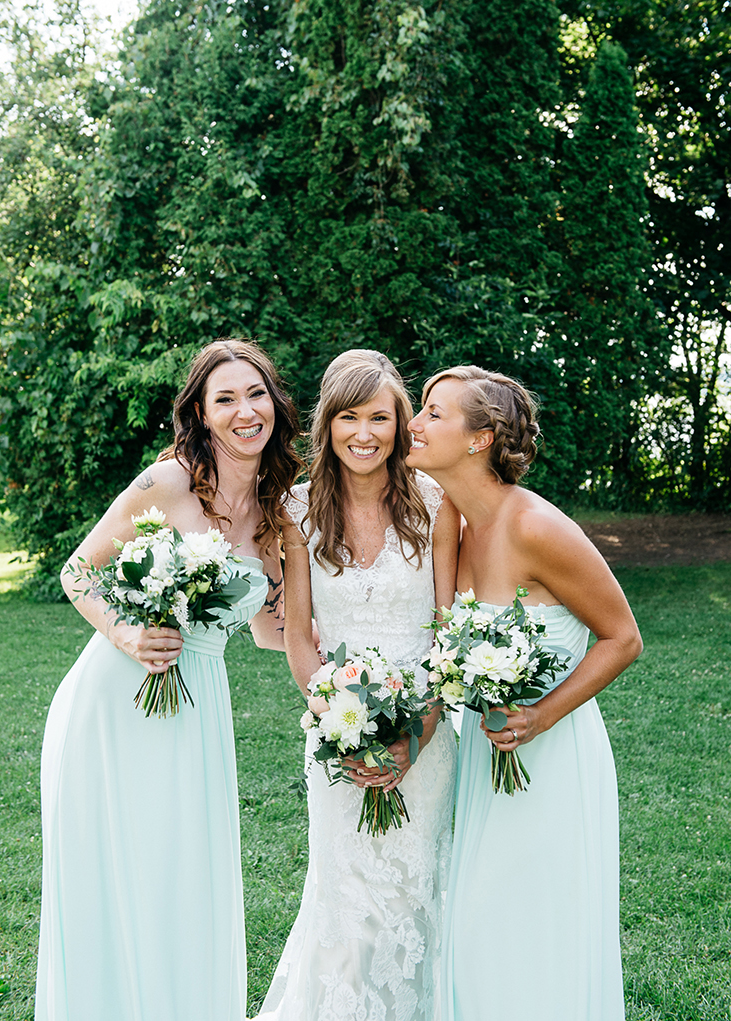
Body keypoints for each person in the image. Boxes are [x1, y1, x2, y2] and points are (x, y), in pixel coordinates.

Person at [34, 339, 299, 1021]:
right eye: (226, 399)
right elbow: (75, 570)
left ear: (275, 403)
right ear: (203, 415)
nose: (245, 411)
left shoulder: (277, 513)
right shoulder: (169, 482)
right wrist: (127, 632)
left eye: (256, 394)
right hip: (114, 698)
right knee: (117, 873)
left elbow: (272, 632)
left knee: (181, 876)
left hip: (198, 704)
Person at [407, 365, 641, 1021]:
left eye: (432, 412)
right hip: (488, 758)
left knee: (535, 927)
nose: (414, 423)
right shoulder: (458, 524)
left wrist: (539, 715)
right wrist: (444, 513)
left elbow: (623, 637)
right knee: (483, 925)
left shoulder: (537, 525)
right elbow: (445, 627)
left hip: (552, 755)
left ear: (480, 438)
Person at [258, 349, 459, 1020]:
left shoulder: (436, 502)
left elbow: (446, 630)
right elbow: (299, 642)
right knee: (345, 901)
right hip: (335, 740)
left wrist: (416, 734)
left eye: (380, 416)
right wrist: (342, 725)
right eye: (350, 416)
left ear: (401, 424)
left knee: (409, 897)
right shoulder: (298, 509)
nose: (365, 432)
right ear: (329, 423)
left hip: (426, 736)